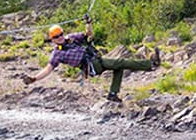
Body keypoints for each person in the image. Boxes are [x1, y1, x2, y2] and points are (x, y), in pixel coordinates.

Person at [22, 16, 160, 102]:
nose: (60, 37)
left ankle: (113, 94)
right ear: (52, 40)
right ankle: (151, 63)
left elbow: (89, 35)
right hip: (91, 66)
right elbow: (48, 69)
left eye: (61, 34)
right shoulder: (57, 54)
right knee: (120, 61)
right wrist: (34, 78)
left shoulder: (72, 38)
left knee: (119, 67)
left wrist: (88, 23)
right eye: (56, 37)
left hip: (96, 58)